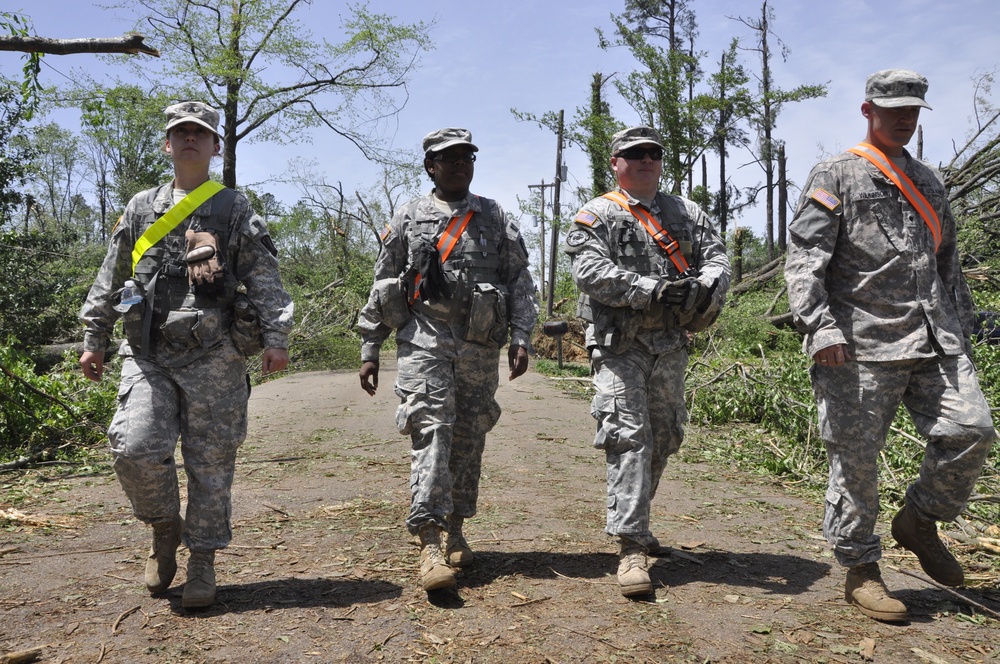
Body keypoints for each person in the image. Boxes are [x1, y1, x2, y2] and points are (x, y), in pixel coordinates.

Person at [784, 70, 996, 622]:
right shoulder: (837, 173)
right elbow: (806, 258)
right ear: (867, 109)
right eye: (893, 108)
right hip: (857, 347)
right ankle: (861, 569)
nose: (905, 118)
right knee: (856, 465)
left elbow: (947, 263)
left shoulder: (928, 180)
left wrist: (963, 330)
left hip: (934, 339)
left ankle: (919, 521)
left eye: (914, 110)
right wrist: (819, 327)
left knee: (972, 430)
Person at [79, 101, 294, 609]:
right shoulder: (140, 208)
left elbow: (264, 276)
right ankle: (162, 528)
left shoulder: (235, 208)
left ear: (216, 145)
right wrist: (94, 337)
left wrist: (276, 337)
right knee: (134, 448)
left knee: (210, 465)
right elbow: (111, 277)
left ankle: (202, 559)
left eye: (201, 133)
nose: (190, 140)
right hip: (148, 351)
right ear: (167, 145)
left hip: (214, 354)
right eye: (181, 133)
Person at [358, 128, 539, 593]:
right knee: (432, 431)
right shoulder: (408, 217)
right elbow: (383, 285)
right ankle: (429, 542)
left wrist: (522, 337)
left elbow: (519, 281)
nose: (460, 164)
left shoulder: (494, 216)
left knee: (468, 437)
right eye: (449, 158)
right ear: (430, 167)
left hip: (479, 345)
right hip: (424, 339)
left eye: (467, 157)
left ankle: (457, 525)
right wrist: (370, 346)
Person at [564, 126, 730, 597]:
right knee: (628, 435)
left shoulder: (686, 212)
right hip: (620, 346)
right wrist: (651, 288)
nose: (645, 161)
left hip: (671, 344)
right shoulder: (597, 214)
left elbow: (718, 257)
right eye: (633, 154)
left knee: (667, 434)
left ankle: (635, 516)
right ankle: (631, 545)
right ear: (614, 163)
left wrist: (702, 286)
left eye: (653, 154)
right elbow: (591, 272)